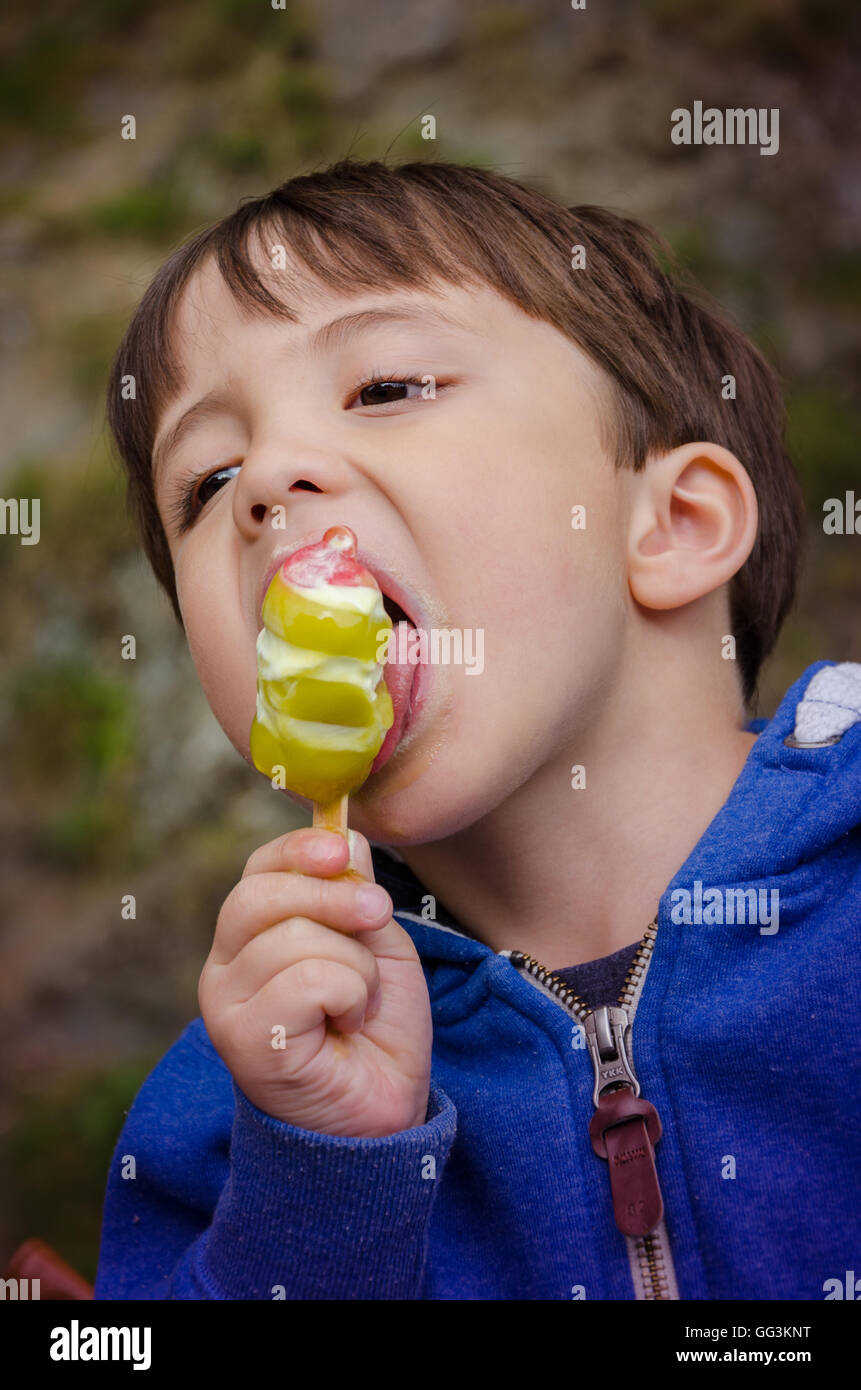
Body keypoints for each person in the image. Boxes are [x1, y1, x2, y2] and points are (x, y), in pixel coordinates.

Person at [94, 158, 861, 1300]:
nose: (266, 480)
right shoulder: (247, 1087)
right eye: (205, 482)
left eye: (388, 385)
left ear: (675, 524)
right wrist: (319, 1186)